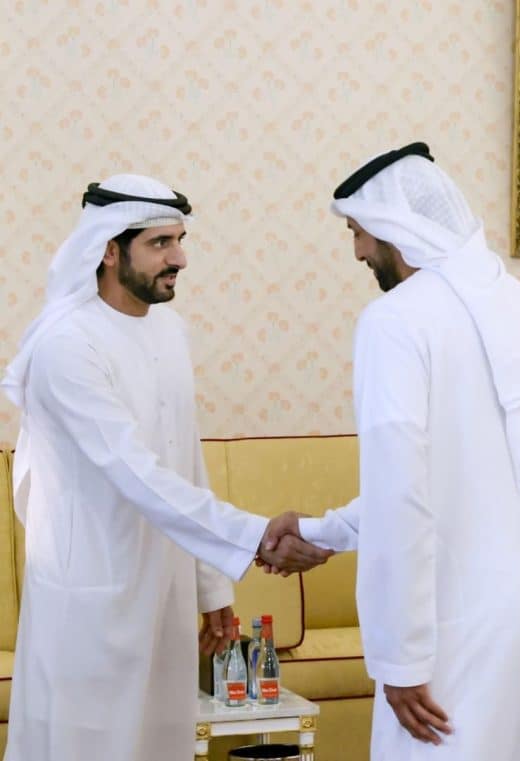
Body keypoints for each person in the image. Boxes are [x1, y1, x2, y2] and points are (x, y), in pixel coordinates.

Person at [1, 174, 332, 761]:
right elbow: (137, 473)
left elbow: (185, 462)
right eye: (160, 243)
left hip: (167, 593)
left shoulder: (169, 330)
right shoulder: (67, 347)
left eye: (179, 241)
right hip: (91, 601)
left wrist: (211, 589)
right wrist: (255, 534)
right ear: (108, 250)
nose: (179, 258)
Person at [293, 143, 520, 760]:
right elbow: (517, 473)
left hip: (456, 624)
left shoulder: (394, 321)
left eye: (358, 232)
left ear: (394, 230)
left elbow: (405, 491)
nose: (358, 252)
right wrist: (327, 531)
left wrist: (400, 657)